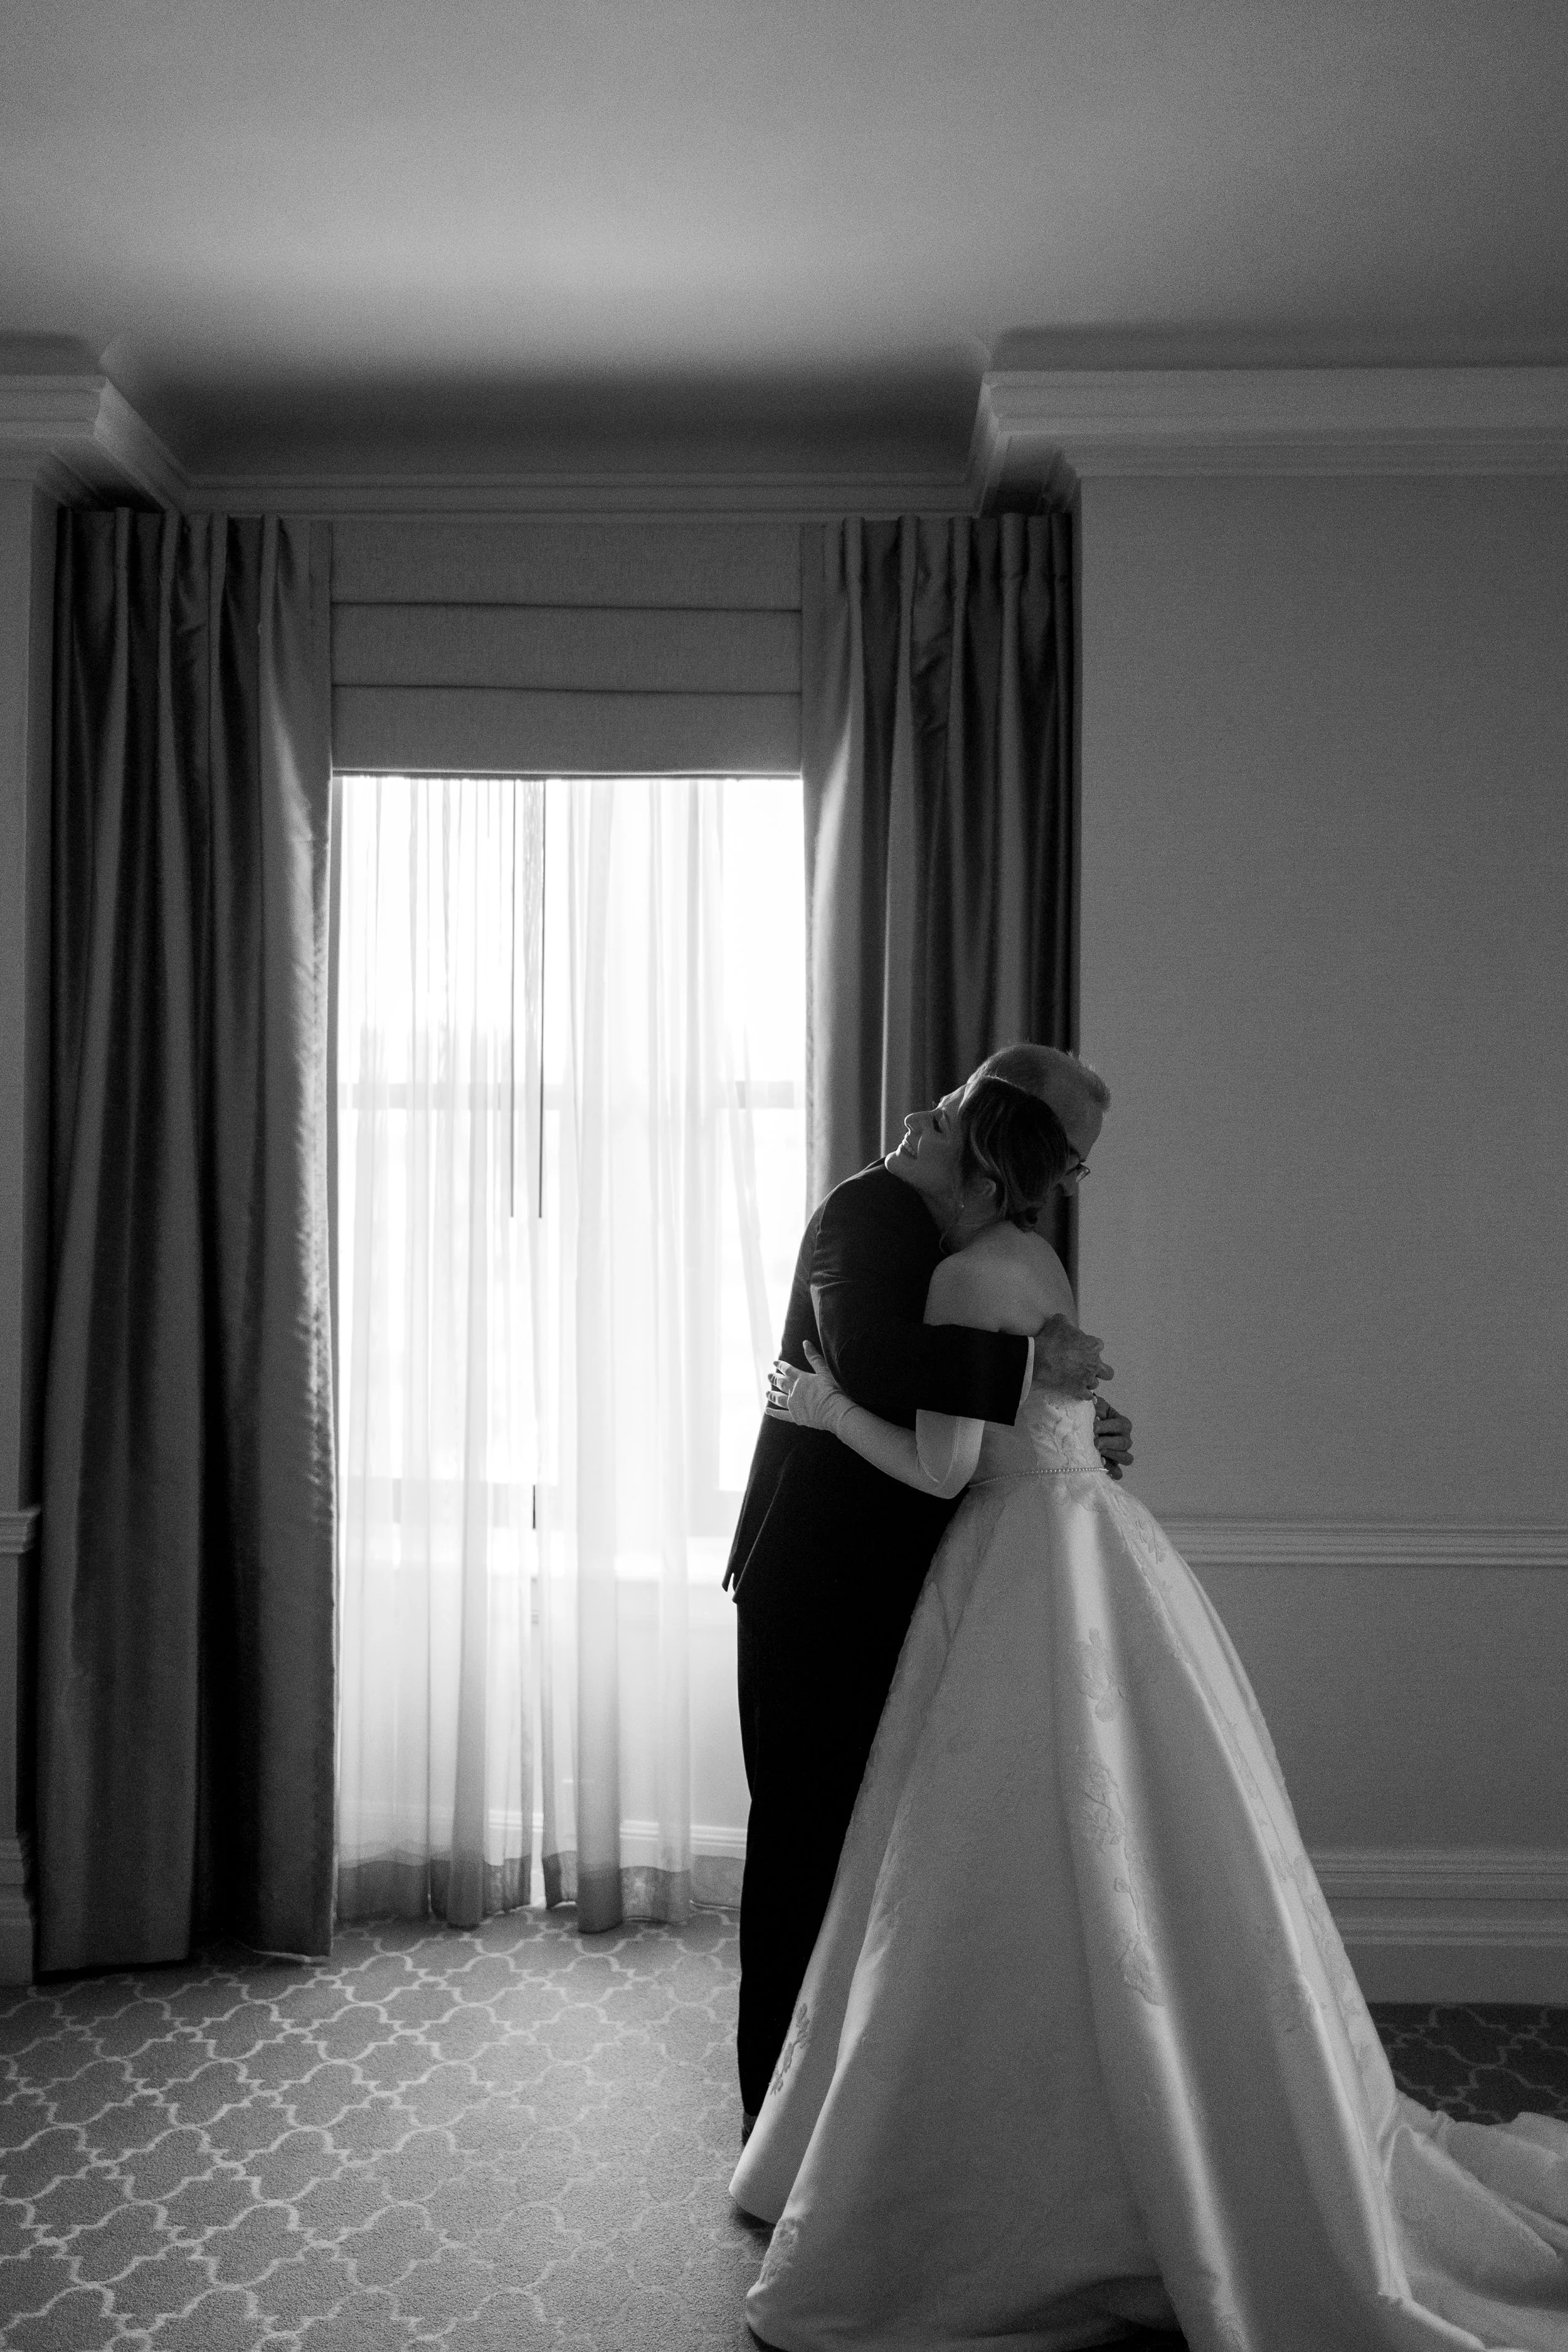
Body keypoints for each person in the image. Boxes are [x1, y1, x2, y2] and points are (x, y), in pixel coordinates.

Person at [731, 1057, 1568, 2352]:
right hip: (982, 1570)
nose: (1071, 1180)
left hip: (992, 1570)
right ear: (1017, 1149)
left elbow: (929, 1436)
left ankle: (892, 2154)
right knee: (930, 1853)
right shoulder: (900, 1228)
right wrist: (1047, 1397)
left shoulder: (966, 1266)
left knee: (960, 1868)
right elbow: (902, 1357)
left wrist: (841, 1408)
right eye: (1067, 1158)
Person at [724, 1047, 1131, 2134]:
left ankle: (866, 2097)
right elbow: (870, 1356)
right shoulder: (872, 1211)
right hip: (817, 1582)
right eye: (1070, 1159)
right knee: (806, 1845)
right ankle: (776, 2108)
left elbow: (967, 1419)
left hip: (927, 1576)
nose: (915, 1114)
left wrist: (1074, 1420)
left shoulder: (982, 1249)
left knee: (889, 1853)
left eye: (948, 1110)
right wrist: (1039, 1384)